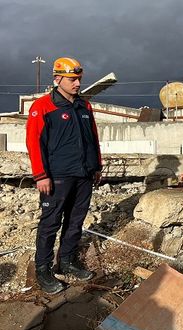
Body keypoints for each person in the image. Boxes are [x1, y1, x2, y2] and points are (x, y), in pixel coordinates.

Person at [26, 57, 101, 294]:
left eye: (79, 79)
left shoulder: (84, 106)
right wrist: (40, 175)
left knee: (75, 222)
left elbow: (93, 138)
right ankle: (43, 270)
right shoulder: (43, 106)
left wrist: (96, 166)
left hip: (84, 175)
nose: (77, 84)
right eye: (72, 79)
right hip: (56, 177)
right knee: (50, 223)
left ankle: (67, 261)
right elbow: (34, 142)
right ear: (57, 79)